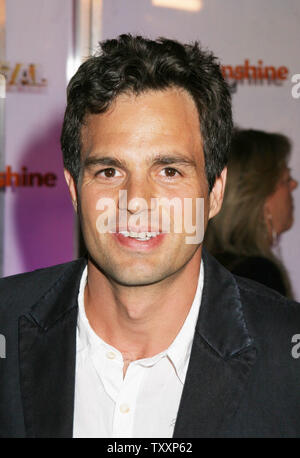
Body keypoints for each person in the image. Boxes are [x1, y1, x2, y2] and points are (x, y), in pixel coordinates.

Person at [1, 35, 300, 439]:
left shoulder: (289, 361)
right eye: (109, 171)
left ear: (215, 193)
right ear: (74, 190)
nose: (136, 202)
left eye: (169, 171)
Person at [205, 128, 298, 297]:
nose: (294, 185)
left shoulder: (213, 269)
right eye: (285, 180)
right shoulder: (257, 275)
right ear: (259, 196)